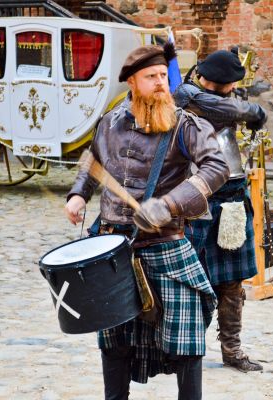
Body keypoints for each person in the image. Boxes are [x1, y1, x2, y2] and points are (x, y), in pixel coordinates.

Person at [64, 43, 229, 400]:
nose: (160, 83)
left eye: (162, 76)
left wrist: (168, 204)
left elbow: (217, 168)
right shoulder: (110, 122)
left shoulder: (186, 125)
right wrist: (79, 193)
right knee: (115, 339)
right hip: (112, 247)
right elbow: (92, 160)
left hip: (164, 245)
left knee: (186, 340)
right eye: (150, 77)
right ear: (133, 84)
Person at [174, 47, 268, 373]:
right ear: (219, 82)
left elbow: (242, 113)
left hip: (231, 195)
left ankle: (232, 350)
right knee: (193, 280)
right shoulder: (187, 96)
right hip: (196, 197)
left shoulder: (226, 103)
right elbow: (230, 110)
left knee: (232, 283)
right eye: (229, 85)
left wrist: (245, 110)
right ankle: (188, 348)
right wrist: (247, 109)